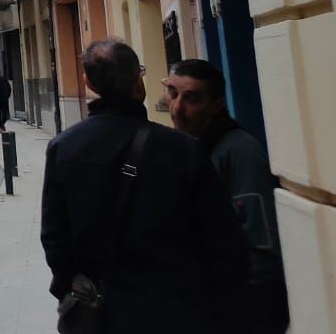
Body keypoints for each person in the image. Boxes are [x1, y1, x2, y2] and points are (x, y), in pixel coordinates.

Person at [40, 39, 248, 333]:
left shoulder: (62, 148)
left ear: (87, 82)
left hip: (103, 315)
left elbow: (54, 238)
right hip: (176, 311)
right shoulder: (183, 149)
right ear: (139, 80)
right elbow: (224, 241)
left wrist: (73, 290)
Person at [165, 59, 290, 334]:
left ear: (217, 105)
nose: (177, 108)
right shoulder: (190, 146)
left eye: (191, 99)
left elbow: (261, 245)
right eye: (173, 94)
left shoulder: (239, 151)